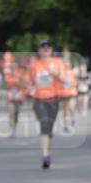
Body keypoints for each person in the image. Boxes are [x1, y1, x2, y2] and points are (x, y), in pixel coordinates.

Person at [26, 39, 65, 168]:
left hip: (54, 98)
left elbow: (64, 80)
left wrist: (56, 75)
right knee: (44, 124)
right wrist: (29, 97)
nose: (45, 50)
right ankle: (44, 155)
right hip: (39, 99)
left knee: (49, 128)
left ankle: (48, 151)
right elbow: (29, 83)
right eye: (43, 48)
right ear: (39, 50)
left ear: (51, 50)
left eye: (48, 48)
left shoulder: (58, 63)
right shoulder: (34, 65)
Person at [2, 56, 27, 136]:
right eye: (11, 66)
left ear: (16, 67)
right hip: (10, 95)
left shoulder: (20, 74)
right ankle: (11, 130)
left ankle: (14, 127)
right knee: (11, 112)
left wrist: (18, 83)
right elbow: (6, 86)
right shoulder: (7, 75)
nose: (13, 67)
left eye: (14, 66)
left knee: (16, 113)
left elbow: (25, 84)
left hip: (19, 95)